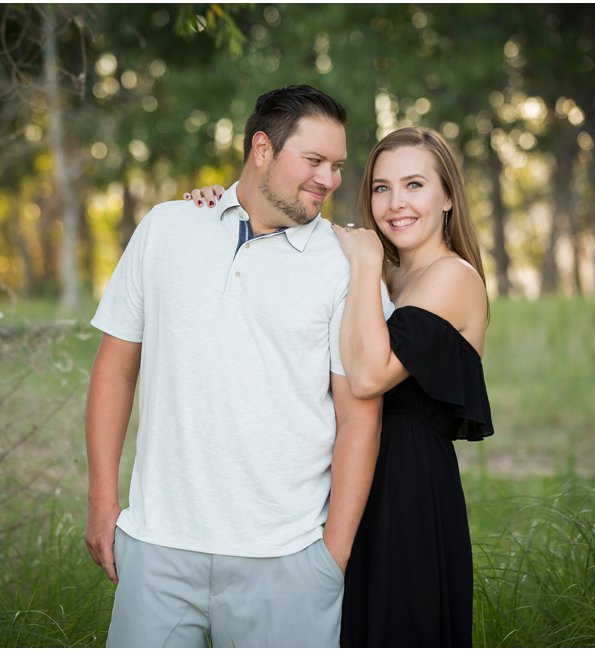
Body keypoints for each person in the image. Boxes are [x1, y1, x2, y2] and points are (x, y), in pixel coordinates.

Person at [84, 85, 385, 648]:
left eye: (339, 165)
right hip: (158, 550)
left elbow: (359, 417)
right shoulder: (167, 228)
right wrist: (104, 499)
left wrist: (331, 558)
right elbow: (115, 368)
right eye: (314, 161)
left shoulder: (343, 265)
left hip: (286, 560)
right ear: (263, 149)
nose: (330, 179)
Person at [189, 126, 493, 647]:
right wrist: (222, 204)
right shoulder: (382, 275)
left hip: (406, 494)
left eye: (415, 185)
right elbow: (279, 224)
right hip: (344, 487)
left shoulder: (452, 278)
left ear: (447, 197)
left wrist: (366, 262)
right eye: (381, 187)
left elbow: (371, 375)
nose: (395, 203)